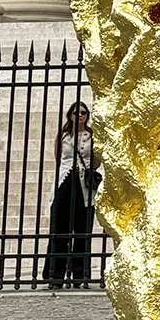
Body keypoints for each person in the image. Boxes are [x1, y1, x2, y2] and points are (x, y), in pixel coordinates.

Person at [42, 101, 99, 288]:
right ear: (70, 115)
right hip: (65, 182)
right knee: (59, 231)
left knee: (82, 231)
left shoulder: (93, 136)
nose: (80, 116)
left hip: (84, 186)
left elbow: (97, 161)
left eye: (83, 113)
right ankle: (55, 275)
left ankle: (80, 276)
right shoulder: (63, 135)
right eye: (76, 113)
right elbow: (58, 157)